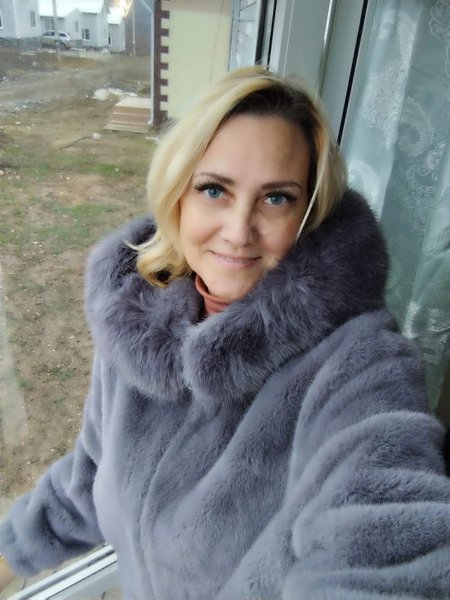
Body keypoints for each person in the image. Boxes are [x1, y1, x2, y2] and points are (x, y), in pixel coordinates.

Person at [0, 65, 449, 599]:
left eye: (276, 198)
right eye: (214, 189)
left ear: (309, 214)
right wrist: (8, 552)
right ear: (177, 195)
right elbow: (93, 474)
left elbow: (385, 540)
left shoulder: (361, 363)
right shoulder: (136, 322)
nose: (238, 232)